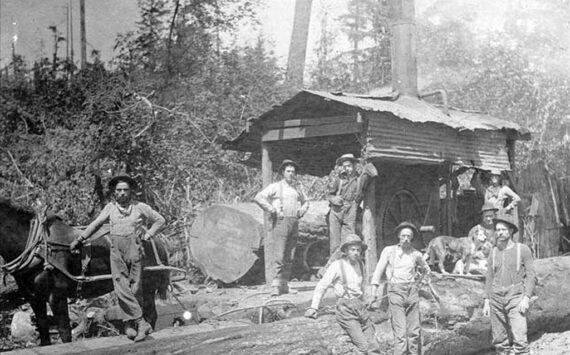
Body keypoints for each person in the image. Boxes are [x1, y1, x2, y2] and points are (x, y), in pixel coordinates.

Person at [70, 175, 165, 342]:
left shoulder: (139, 207)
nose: (122, 193)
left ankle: (132, 323)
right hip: (116, 251)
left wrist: (149, 234)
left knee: (135, 288)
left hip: (135, 250)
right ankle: (138, 323)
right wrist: (80, 239)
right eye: (119, 190)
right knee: (121, 288)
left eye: (125, 190)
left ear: (131, 192)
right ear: (114, 192)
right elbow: (96, 224)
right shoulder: (110, 208)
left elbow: (160, 220)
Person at [304, 234, 380, 355]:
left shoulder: (360, 264)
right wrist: (314, 307)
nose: (356, 253)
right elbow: (322, 286)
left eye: (358, 250)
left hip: (361, 309)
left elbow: (363, 286)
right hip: (346, 311)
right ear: (345, 250)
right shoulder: (337, 265)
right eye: (352, 250)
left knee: (374, 346)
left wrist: (369, 297)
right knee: (364, 346)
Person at [370, 222, 430, 355]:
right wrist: (374, 290)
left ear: (412, 238)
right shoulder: (389, 251)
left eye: (409, 236)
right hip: (396, 291)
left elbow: (426, 269)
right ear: (398, 236)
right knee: (400, 332)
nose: (406, 239)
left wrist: (419, 282)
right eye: (403, 236)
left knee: (414, 332)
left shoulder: (416, 254)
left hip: (412, 292)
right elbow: (378, 270)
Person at [483, 212, 536, 355]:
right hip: (496, 297)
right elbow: (489, 276)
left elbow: (531, 275)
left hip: (515, 296)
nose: (500, 233)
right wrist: (487, 300)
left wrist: (526, 298)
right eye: (498, 230)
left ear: (511, 231)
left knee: (520, 338)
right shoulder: (493, 252)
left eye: (503, 229)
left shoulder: (523, 249)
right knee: (499, 340)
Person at [254, 159, 309, 296]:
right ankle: (275, 285)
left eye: (293, 171)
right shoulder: (276, 186)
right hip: (281, 222)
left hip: (294, 222)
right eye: (288, 171)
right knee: (279, 255)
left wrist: (303, 209)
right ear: (283, 172)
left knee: (289, 255)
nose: (291, 174)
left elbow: (306, 201)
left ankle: (284, 284)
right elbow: (259, 197)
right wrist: (271, 208)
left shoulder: (297, 187)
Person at [328, 153, 360, 255]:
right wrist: (334, 199)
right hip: (337, 210)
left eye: (349, 166)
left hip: (351, 209)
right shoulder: (338, 178)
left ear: (354, 165)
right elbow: (329, 194)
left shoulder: (359, 179)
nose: (347, 169)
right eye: (345, 166)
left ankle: (347, 263)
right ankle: (334, 265)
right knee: (335, 242)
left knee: (349, 239)